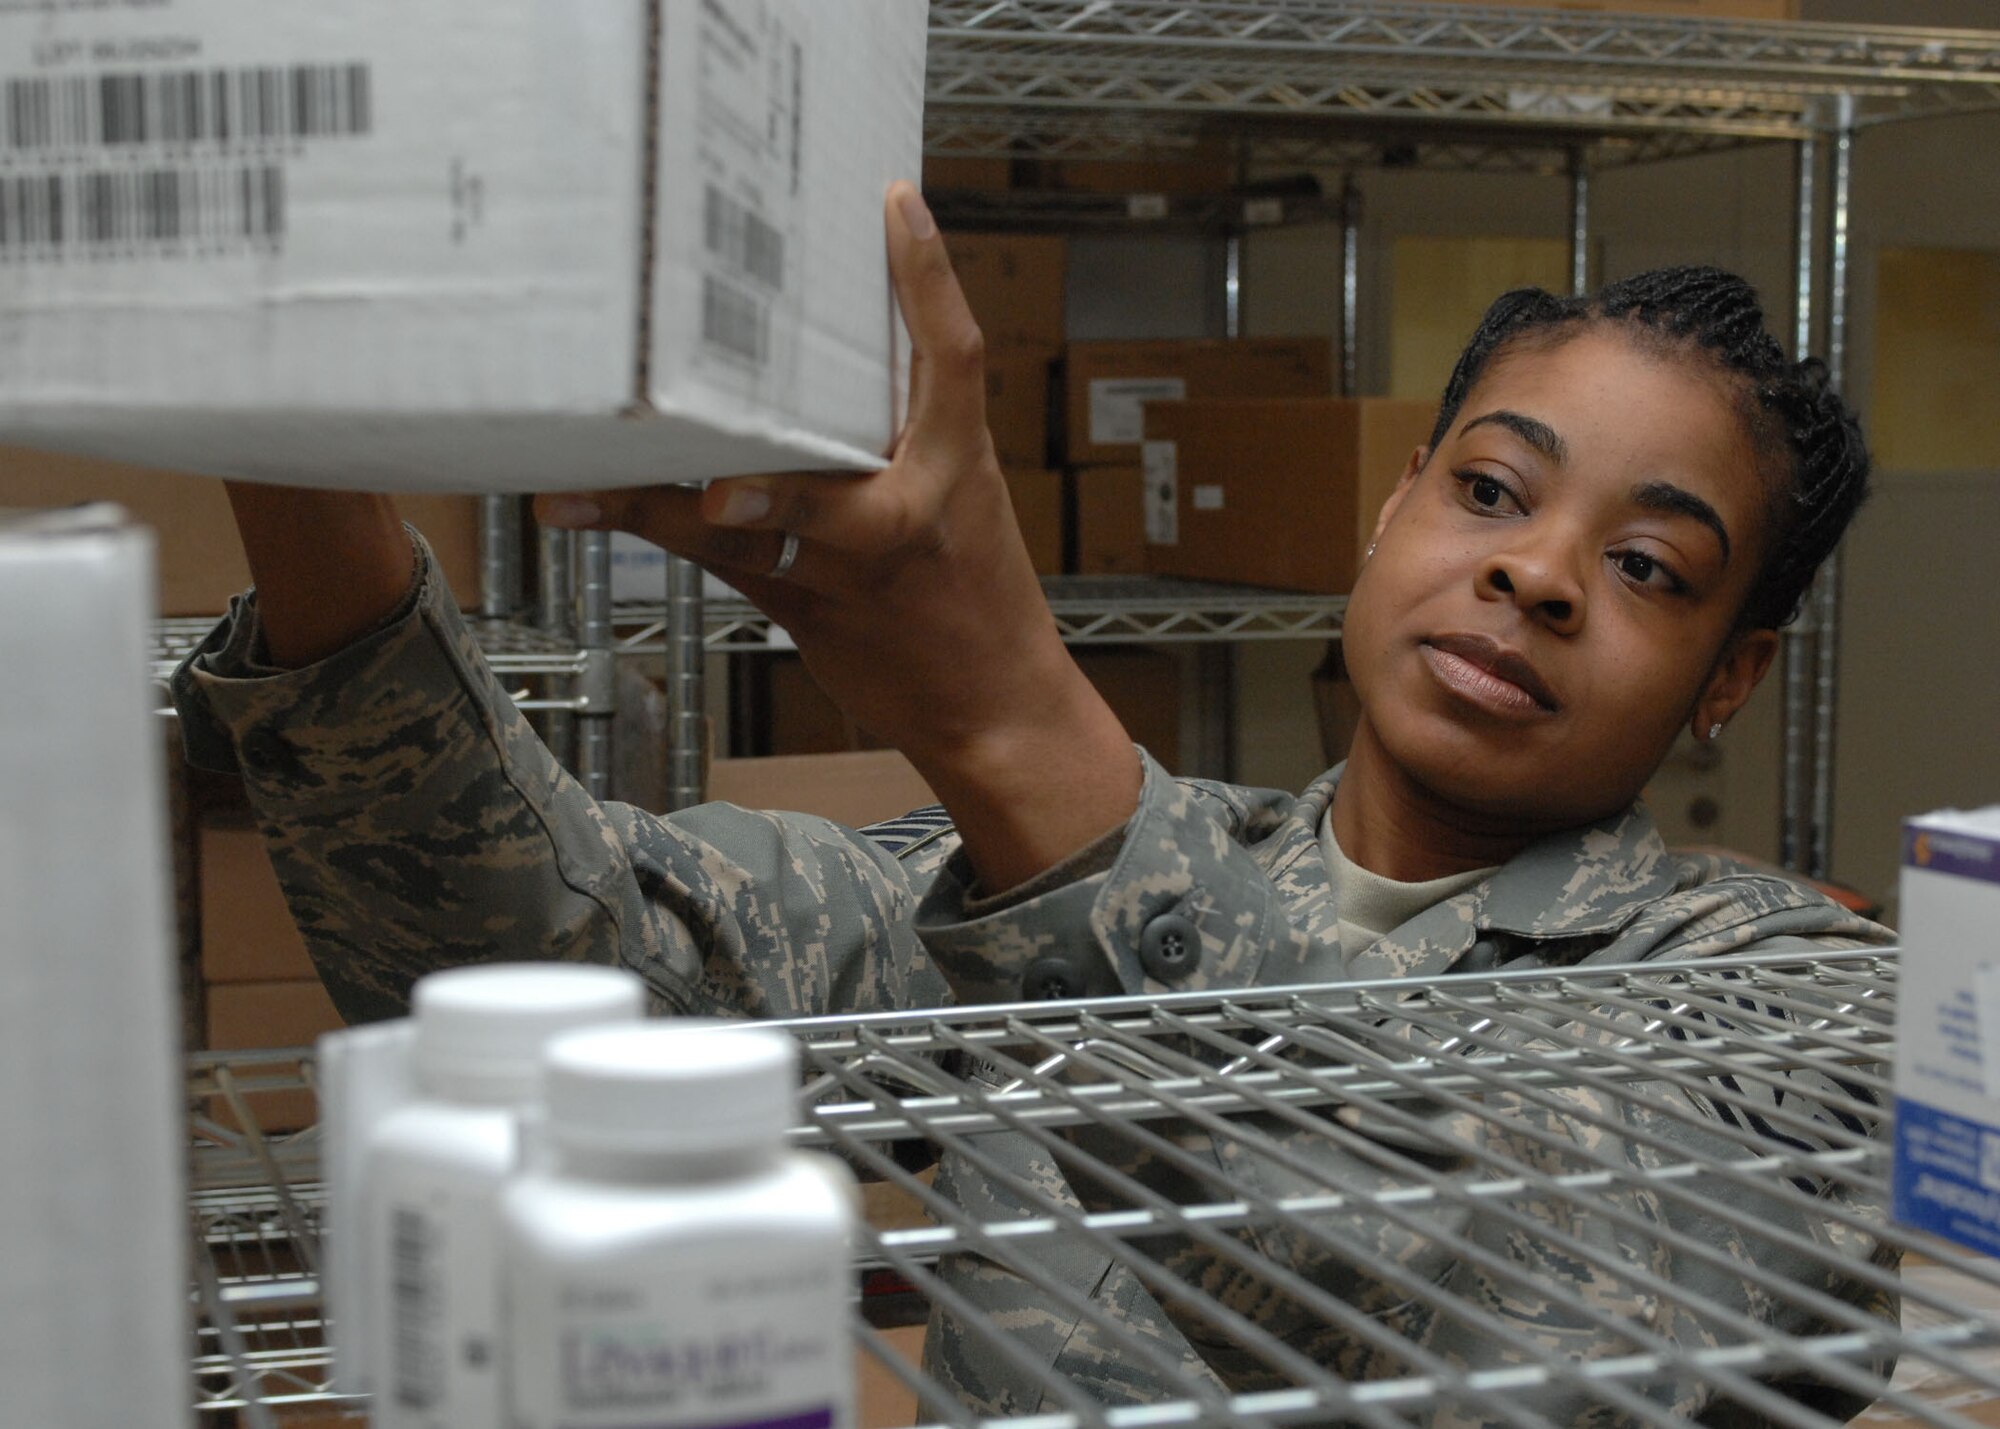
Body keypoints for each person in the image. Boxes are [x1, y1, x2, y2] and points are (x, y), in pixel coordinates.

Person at [174, 182, 1894, 1420]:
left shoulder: (1797, 1004)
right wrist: (296, 443)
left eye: (1648, 564)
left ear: (1730, 676)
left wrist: (1007, 714)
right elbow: (526, 964)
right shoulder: (1031, 885)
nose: (1536, 571)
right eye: (1495, 489)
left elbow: (1551, 1323)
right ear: (1392, 514)